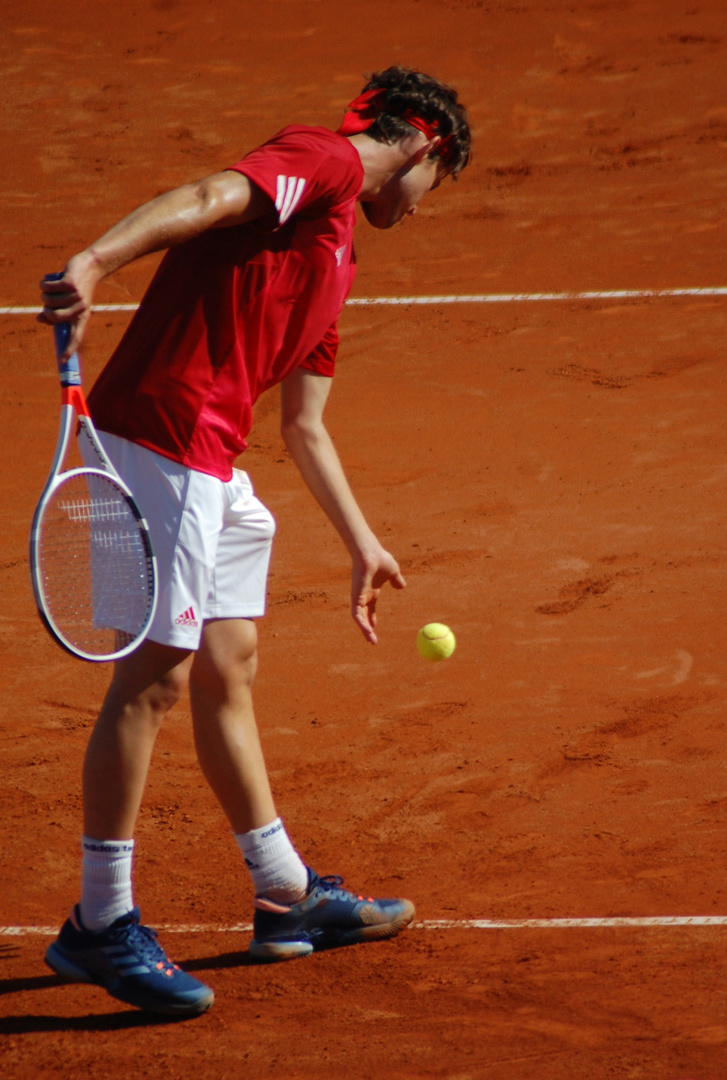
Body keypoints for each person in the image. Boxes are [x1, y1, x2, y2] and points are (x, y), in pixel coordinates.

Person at [38, 65, 471, 1017]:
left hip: (215, 461)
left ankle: (284, 895)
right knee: (153, 678)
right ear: (425, 145)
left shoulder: (338, 258)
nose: (424, 207)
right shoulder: (319, 161)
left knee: (229, 669)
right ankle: (100, 924)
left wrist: (362, 544)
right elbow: (205, 197)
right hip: (159, 434)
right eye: (437, 184)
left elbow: (303, 425)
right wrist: (95, 263)